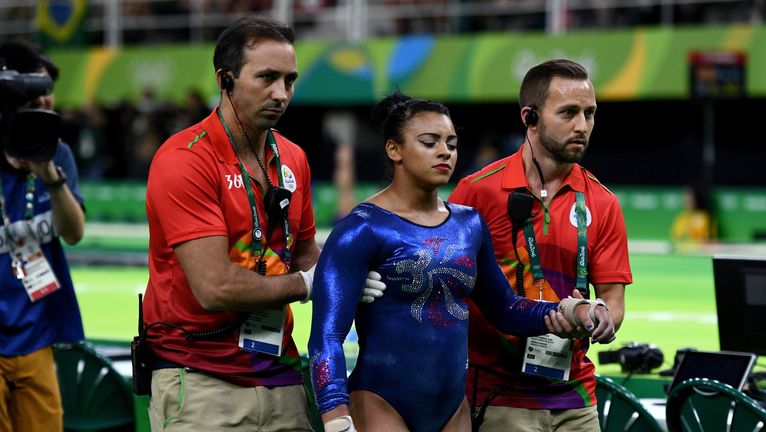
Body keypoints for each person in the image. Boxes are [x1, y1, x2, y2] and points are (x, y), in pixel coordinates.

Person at [308, 90, 615, 432]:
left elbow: (506, 310)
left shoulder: (469, 225)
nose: (445, 151)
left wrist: (569, 310)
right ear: (394, 149)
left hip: (453, 410)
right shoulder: (361, 229)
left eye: (451, 144)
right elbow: (326, 337)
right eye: (430, 142)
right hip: (380, 402)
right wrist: (335, 416)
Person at [141, 16, 383, 431]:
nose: (281, 93)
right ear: (226, 80)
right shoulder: (185, 159)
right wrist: (308, 284)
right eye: (267, 77)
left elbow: (304, 253)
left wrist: (349, 272)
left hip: (281, 374)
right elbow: (215, 288)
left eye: (289, 80)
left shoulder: (293, 157)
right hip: (199, 378)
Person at [449, 59, 632, 431]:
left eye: (590, 113)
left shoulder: (603, 202)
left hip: (577, 399)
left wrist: (599, 319)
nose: (582, 125)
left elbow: (613, 302)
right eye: (568, 113)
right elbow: (445, 288)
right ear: (530, 117)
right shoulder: (477, 192)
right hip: (497, 396)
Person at [0, 41, 86, 432]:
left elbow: (74, 233)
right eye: (34, 93)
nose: (45, 100)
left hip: (35, 332)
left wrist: (49, 174)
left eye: (48, 91)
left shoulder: (56, 153)